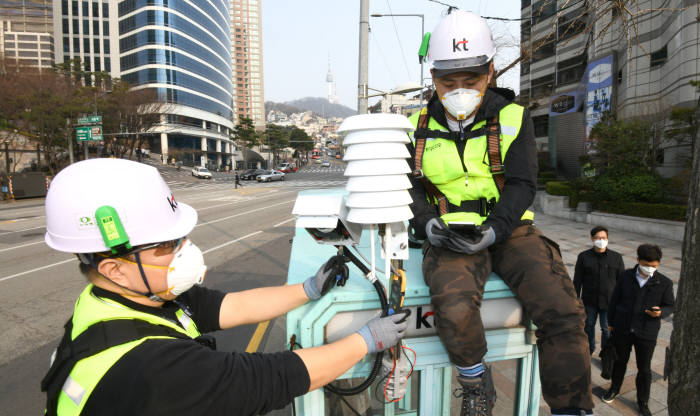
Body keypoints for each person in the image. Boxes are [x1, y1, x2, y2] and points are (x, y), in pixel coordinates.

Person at [41, 158, 408, 416]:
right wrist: (366, 340)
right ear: (114, 269)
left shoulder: (121, 300)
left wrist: (308, 289)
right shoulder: (150, 366)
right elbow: (274, 378)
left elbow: (231, 306)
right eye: (165, 246)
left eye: (180, 238)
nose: (184, 251)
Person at [406, 10, 593, 416]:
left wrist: (495, 230)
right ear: (433, 77)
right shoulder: (413, 126)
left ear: (490, 71)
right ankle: (476, 382)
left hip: (509, 229)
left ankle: (571, 407)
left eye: (470, 80)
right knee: (453, 306)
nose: (459, 90)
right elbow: (409, 188)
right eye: (447, 81)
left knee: (561, 309)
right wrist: (427, 223)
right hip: (449, 231)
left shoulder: (513, 117)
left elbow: (524, 183)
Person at [602, 244, 674, 416]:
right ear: (638, 261)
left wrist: (660, 312)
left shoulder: (664, 282)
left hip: (646, 331)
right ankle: (614, 388)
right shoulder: (626, 276)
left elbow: (670, 305)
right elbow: (614, 300)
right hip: (623, 327)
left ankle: (643, 401)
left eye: (654, 266)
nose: (650, 269)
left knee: (645, 369)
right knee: (620, 362)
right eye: (646, 265)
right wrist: (610, 322)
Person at [574, 226, 625, 355]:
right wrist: (575, 300)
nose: (600, 240)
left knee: (606, 328)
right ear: (592, 239)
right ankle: (590, 347)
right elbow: (577, 280)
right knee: (589, 325)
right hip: (590, 300)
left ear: (607, 239)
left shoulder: (616, 257)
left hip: (609, 301)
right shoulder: (584, 257)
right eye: (597, 238)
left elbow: (622, 281)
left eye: (603, 238)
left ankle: (605, 352)